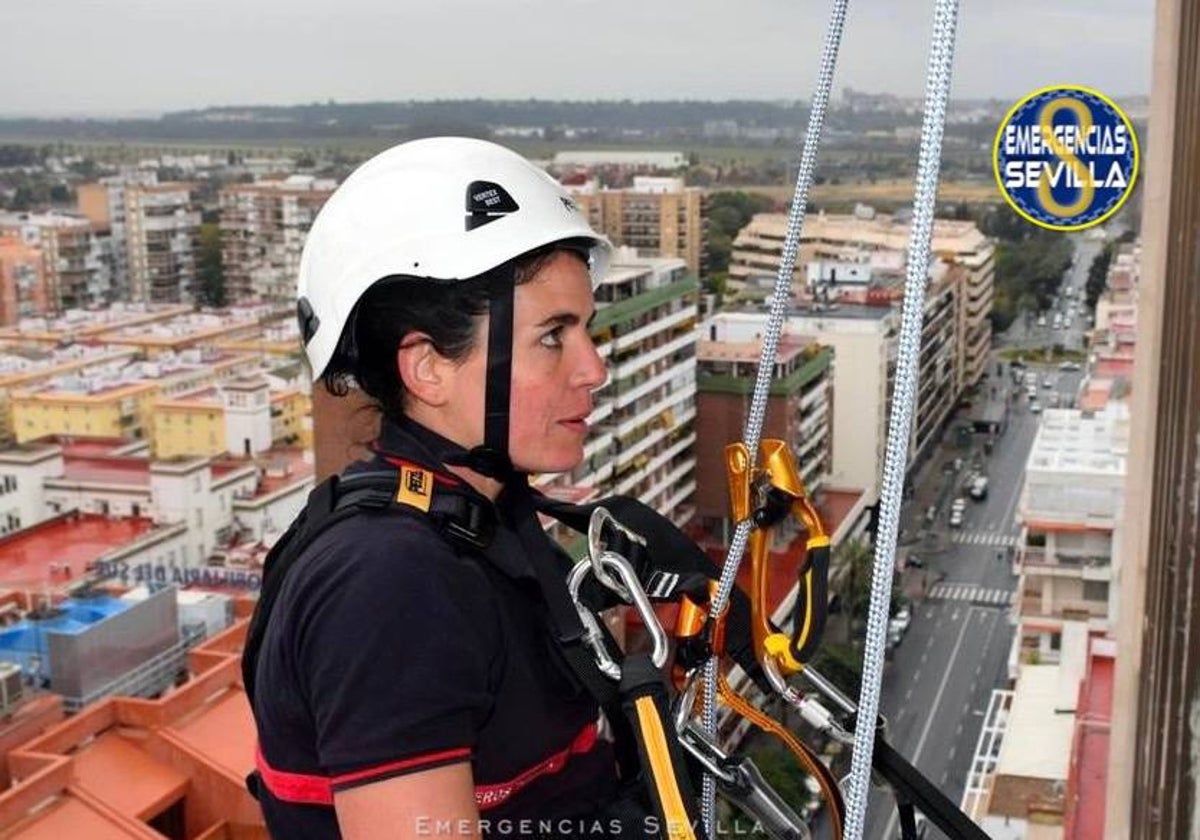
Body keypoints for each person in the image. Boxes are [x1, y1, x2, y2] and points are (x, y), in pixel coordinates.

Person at [249, 138, 639, 839]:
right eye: (553, 336)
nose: (594, 368)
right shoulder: (391, 583)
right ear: (427, 369)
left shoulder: (480, 526)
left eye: (588, 331)